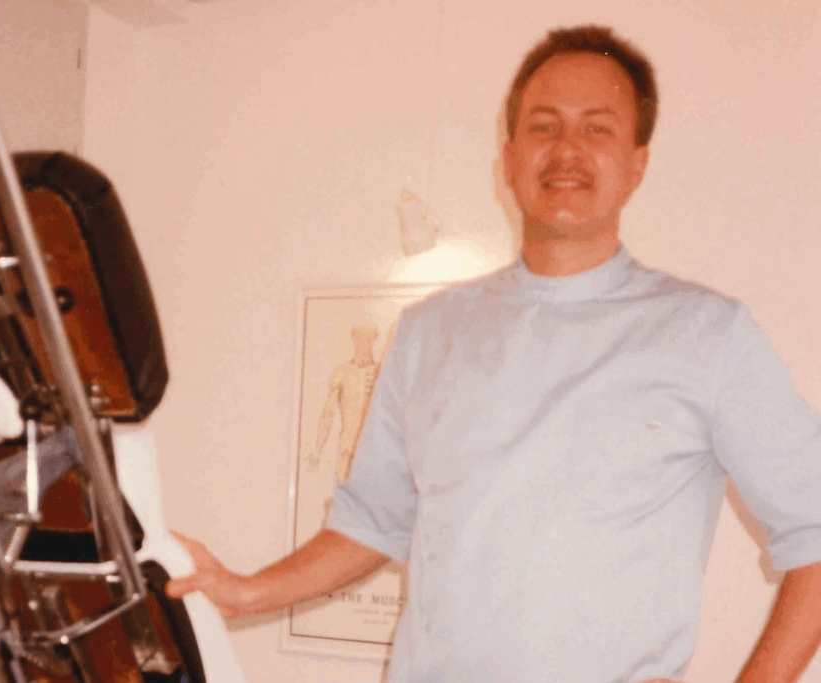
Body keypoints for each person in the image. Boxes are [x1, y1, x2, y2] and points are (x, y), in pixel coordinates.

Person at [166, 25, 821, 683]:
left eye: (597, 128)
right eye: (543, 127)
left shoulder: (707, 335)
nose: (567, 149)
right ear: (509, 159)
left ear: (637, 163)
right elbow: (373, 521)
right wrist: (245, 591)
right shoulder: (428, 332)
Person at [307, 322, 382, 485]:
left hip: (376, 454)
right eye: (359, 337)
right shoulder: (342, 372)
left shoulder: (382, 373)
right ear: (353, 338)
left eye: (368, 337)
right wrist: (317, 450)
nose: (363, 342)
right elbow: (327, 414)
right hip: (347, 450)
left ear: (374, 339)